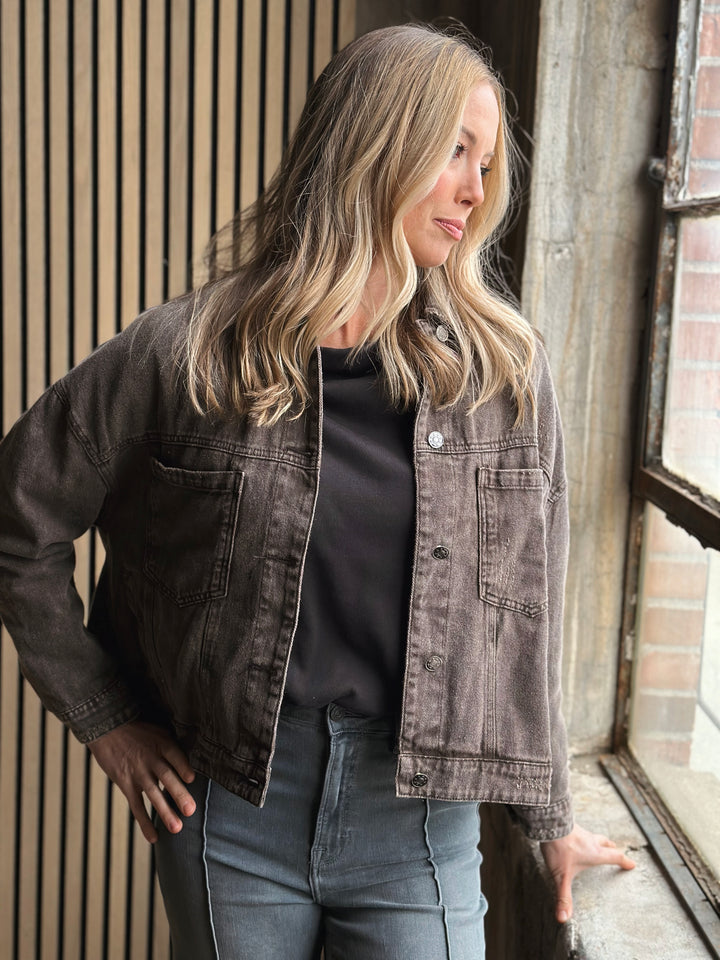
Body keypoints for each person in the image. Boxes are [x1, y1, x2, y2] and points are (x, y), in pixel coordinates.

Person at [0, 22, 634, 960]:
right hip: (233, 807)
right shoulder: (186, 356)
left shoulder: (502, 377)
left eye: (487, 162)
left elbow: (525, 616)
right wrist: (111, 724)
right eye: (455, 148)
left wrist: (551, 823)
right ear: (378, 139)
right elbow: (20, 524)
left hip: (418, 815)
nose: (476, 186)